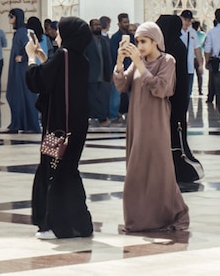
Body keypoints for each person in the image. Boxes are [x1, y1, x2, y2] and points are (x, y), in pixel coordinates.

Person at [113, 22, 190, 232]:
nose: (140, 45)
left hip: (155, 123)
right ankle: (138, 219)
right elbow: (122, 85)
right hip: (137, 123)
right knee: (135, 170)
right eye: (137, 41)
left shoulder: (167, 61)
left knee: (158, 171)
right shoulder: (139, 62)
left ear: (155, 41)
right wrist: (121, 62)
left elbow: (163, 89)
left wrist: (139, 64)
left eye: (143, 41)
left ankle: (169, 214)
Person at [24, 16, 94, 240]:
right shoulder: (81, 60)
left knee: (51, 171)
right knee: (67, 172)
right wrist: (46, 58)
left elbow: (38, 82)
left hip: (57, 130)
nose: (57, 33)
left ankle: (54, 225)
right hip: (76, 128)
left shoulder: (62, 56)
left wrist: (31, 58)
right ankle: (78, 225)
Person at [157, 14, 202, 183]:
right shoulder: (175, 45)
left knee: (172, 133)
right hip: (175, 98)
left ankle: (177, 169)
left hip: (171, 98)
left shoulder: (173, 47)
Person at [5, 8, 41, 132]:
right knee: (17, 96)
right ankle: (21, 123)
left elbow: (32, 47)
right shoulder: (20, 32)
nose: (9, 19)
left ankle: (27, 123)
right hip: (18, 69)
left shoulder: (22, 32)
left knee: (22, 95)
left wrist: (24, 57)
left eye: (11, 16)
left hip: (21, 70)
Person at [85, 18, 112, 125]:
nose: (98, 27)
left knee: (103, 97)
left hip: (103, 74)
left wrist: (110, 73)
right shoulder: (86, 41)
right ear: (90, 27)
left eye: (99, 24)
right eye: (95, 25)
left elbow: (108, 58)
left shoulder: (104, 40)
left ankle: (102, 117)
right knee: (92, 98)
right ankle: (100, 118)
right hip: (91, 74)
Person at [180, 10, 203, 98]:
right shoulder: (176, 31)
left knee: (187, 92)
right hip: (177, 67)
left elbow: (197, 49)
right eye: (185, 19)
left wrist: (200, 64)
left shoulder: (192, 32)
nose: (187, 22)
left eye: (189, 20)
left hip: (189, 67)